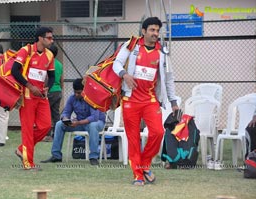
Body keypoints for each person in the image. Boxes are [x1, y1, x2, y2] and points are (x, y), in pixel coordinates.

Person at [112, 17, 179, 186]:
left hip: (150, 100)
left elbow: (169, 78)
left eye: (157, 30)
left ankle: (144, 164)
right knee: (133, 139)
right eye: (152, 30)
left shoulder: (163, 52)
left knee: (158, 132)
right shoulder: (132, 45)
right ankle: (138, 175)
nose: (155, 33)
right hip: (130, 100)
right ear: (143, 31)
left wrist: (173, 101)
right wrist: (125, 75)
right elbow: (117, 63)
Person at [11, 27, 55, 170]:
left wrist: (48, 86)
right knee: (28, 129)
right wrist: (29, 86)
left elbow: (52, 75)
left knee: (46, 126)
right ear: (40, 38)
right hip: (27, 96)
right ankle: (28, 163)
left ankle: (21, 149)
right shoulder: (26, 50)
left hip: (42, 96)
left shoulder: (49, 55)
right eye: (49, 37)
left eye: (52, 37)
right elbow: (14, 70)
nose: (51, 40)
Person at [41, 78, 106, 165]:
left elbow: (94, 117)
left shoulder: (92, 98)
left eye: (79, 92)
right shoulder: (72, 98)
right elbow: (65, 113)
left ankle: (93, 157)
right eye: (75, 92)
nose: (76, 94)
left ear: (84, 90)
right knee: (59, 124)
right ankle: (56, 156)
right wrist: (67, 121)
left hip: (97, 122)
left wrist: (78, 122)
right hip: (79, 123)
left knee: (93, 126)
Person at [43, 44, 64, 142]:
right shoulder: (59, 64)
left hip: (49, 91)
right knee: (56, 114)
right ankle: (57, 134)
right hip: (58, 90)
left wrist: (44, 89)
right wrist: (60, 89)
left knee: (46, 114)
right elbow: (61, 79)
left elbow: (46, 78)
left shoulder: (47, 63)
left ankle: (47, 135)